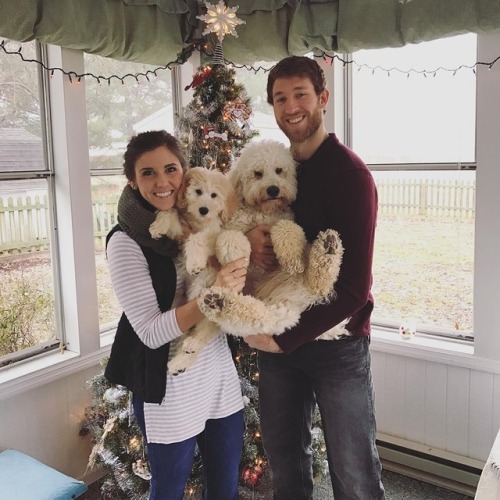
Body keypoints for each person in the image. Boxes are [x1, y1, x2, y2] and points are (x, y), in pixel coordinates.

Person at [244, 56, 386, 499]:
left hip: (335, 347)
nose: (291, 107)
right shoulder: (277, 167)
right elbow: (240, 216)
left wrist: (284, 339)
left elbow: (354, 290)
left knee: (354, 473)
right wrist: (250, 236)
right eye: (280, 98)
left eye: (300, 94)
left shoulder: (350, 176)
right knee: (286, 466)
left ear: (322, 98)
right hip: (279, 342)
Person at [104, 130, 248, 500]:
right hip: (168, 381)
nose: (163, 181)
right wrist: (212, 299)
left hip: (215, 369)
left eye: (170, 169)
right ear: (133, 182)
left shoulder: (200, 220)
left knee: (225, 486)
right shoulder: (126, 242)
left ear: (184, 172)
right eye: (148, 173)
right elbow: (151, 332)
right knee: (168, 491)